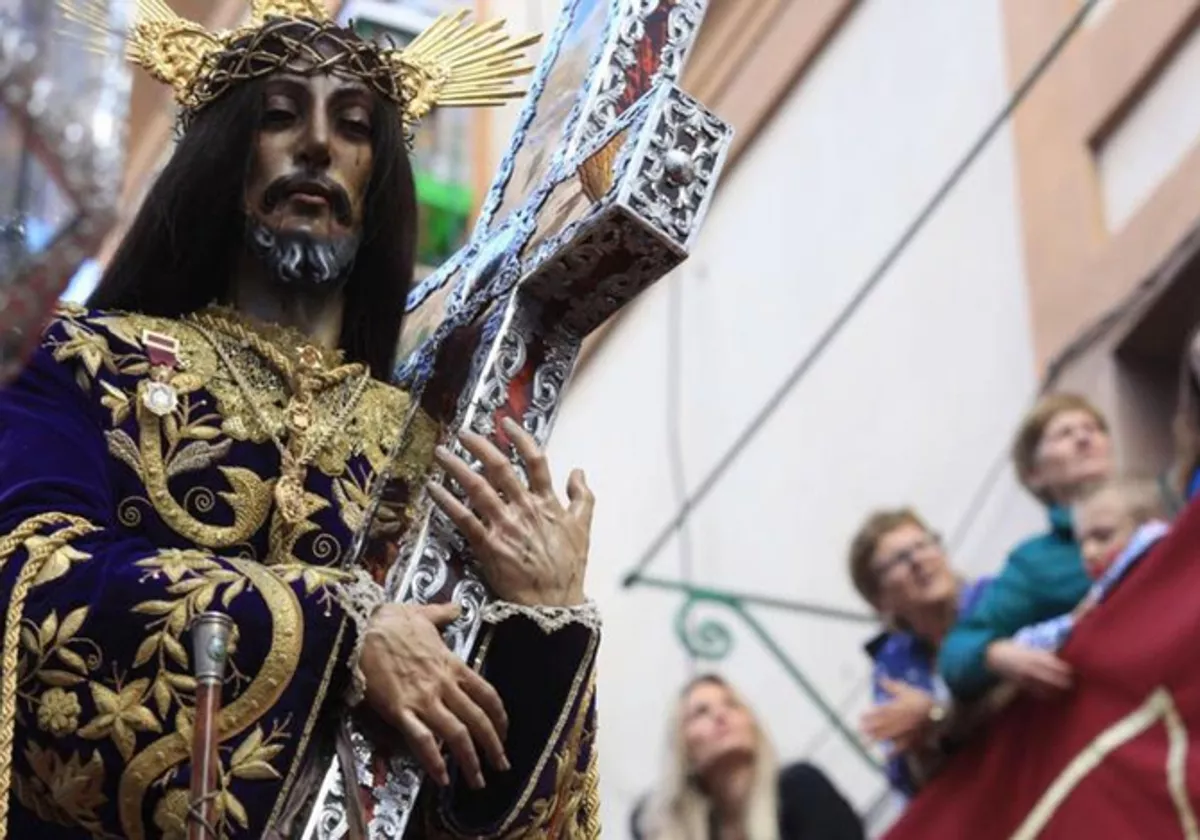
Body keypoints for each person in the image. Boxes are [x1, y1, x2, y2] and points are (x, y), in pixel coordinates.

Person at [0, 4, 601, 838]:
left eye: (353, 127)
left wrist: (545, 621)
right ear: (222, 158)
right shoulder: (82, 364)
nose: (317, 144)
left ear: (377, 177)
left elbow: (481, 793)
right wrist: (336, 631)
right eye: (279, 115)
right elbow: (28, 584)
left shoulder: (430, 453)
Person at [939, 393, 1113, 701]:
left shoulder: (1167, 500)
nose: (1084, 438)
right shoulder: (1035, 562)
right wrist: (994, 653)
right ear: (1034, 474)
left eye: (1092, 428)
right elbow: (957, 651)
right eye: (1064, 434)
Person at [848, 508, 991, 797]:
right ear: (880, 600)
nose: (918, 560)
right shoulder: (892, 665)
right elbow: (908, 780)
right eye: (899, 560)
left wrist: (936, 717)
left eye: (923, 544)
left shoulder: (999, 599)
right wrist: (915, 746)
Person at [633, 675, 863, 840]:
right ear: (683, 750)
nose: (720, 715)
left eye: (732, 705)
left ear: (753, 726)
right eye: (700, 712)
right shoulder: (680, 827)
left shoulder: (800, 788)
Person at [1011, 477, 1170, 655]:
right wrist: (1074, 620)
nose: (1089, 553)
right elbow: (1023, 644)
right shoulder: (1096, 599)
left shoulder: (1157, 546)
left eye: (1103, 536)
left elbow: (1154, 535)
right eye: (1082, 543)